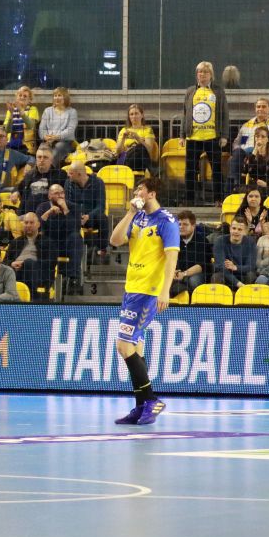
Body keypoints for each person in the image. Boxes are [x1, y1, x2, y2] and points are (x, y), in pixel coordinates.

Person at [109, 177, 179, 425]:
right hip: (132, 288)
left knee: (123, 345)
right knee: (135, 349)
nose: (136, 192)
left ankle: (151, 400)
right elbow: (115, 240)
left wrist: (165, 291)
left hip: (148, 291)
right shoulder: (137, 217)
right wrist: (129, 213)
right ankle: (141, 407)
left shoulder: (166, 221)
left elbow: (171, 259)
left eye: (140, 189)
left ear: (151, 193)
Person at [182, 61, 228, 203]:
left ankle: (218, 199)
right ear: (197, 74)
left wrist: (224, 135)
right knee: (190, 170)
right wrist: (182, 135)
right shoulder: (190, 91)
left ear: (211, 75)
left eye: (206, 72)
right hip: (193, 137)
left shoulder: (218, 91)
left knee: (216, 169)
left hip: (212, 137)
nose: (202, 74)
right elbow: (185, 113)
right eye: (200, 72)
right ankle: (190, 200)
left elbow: (224, 114)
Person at [37, 184, 84, 292]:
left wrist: (66, 210)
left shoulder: (73, 207)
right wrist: (48, 212)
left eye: (62, 193)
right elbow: (37, 226)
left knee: (76, 237)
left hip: (67, 243)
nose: (60, 196)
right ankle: (43, 281)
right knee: (41, 240)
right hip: (49, 242)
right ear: (49, 196)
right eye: (56, 193)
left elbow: (75, 227)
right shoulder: (42, 207)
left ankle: (73, 278)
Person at [65, 162, 110, 262]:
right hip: (75, 217)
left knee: (103, 218)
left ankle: (101, 249)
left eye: (71, 173)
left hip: (92, 217)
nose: (68, 175)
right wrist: (78, 215)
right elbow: (67, 203)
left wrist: (88, 216)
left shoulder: (98, 183)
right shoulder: (68, 183)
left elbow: (101, 206)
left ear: (79, 174)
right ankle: (70, 251)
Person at [5, 213, 54, 298]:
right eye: (26, 222)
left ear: (38, 224)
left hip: (38, 274)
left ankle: (30, 299)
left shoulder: (48, 242)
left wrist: (25, 263)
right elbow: (5, 261)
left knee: (28, 263)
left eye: (31, 223)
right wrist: (12, 264)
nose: (28, 225)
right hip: (15, 271)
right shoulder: (15, 242)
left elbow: (51, 263)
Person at [169, 210, 211, 297]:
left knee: (194, 280)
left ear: (193, 226)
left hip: (195, 274)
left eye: (185, 224)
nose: (181, 227)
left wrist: (184, 274)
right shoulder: (173, 240)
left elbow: (200, 266)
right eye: (179, 224)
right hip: (177, 274)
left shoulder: (202, 241)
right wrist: (173, 272)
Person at [211, 216, 256, 289]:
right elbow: (221, 267)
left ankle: (246, 295)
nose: (236, 231)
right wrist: (238, 283)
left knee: (251, 275)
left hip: (242, 274)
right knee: (217, 277)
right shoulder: (219, 241)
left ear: (245, 231)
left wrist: (236, 267)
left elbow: (251, 266)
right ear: (230, 229)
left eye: (240, 229)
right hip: (226, 275)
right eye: (234, 228)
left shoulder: (251, 242)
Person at [19, 147, 67, 212]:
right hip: (28, 215)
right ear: (36, 159)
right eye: (39, 157)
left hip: (50, 214)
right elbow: (20, 190)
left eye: (45, 157)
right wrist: (16, 192)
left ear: (51, 160)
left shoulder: (61, 175)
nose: (42, 160)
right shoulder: (29, 175)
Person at [115, 103, 157, 173]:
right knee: (139, 147)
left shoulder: (148, 130)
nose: (134, 116)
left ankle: (152, 168)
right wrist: (123, 138)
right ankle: (153, 169)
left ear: (142, 115)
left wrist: (138, 138)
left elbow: (149, 150)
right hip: (127, 161)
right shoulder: (124, 130)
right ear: (129, 117)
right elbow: (118, 152)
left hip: (140, 162)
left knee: (140, 147)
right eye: (131, 114)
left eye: (136, 113)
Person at [38, 87, 79, 160]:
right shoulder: (47, 111)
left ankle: (50, 167)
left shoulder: (72, 112)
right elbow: (42, 128)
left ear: (65, 97)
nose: (57, 98)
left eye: (59, 95)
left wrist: (56, 137)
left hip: (66, 142)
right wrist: (45, 137)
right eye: (55, 95)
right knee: (41, 153)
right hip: (48, 141)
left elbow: (70, 131)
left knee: (55, 152)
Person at [3, 86, 40, 154]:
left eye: (25, 96)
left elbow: (30, 126)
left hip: (26, 147)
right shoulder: (10, 111)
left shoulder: (32, 109)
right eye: (20, 95)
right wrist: (11, 115)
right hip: (10, 146)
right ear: (16, 97)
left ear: (29, 100)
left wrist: (21, 111)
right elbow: (7, 130)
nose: (22, 97)